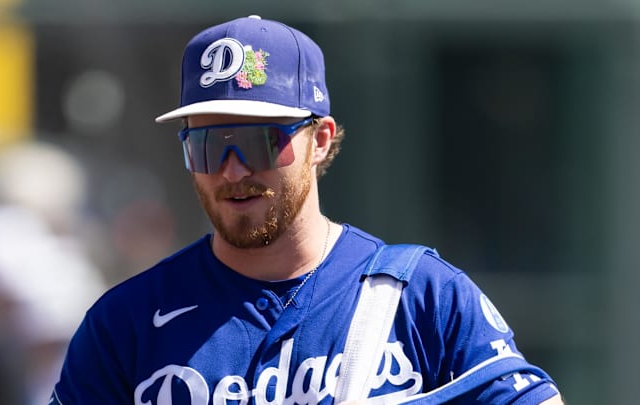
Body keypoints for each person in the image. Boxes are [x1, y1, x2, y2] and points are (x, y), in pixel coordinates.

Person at [50, 15, 564, 404]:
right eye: (207, 146)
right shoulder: (126, 321)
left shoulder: (420, 295)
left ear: (320, 139)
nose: (231, 171)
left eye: (254, 143)